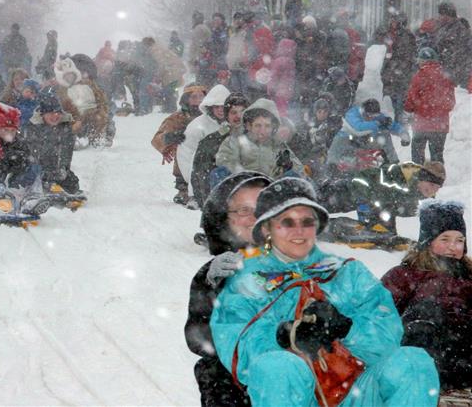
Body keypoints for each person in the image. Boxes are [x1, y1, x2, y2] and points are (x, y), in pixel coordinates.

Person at [210, 177, 440, 407]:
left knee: (413, 362)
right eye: (286, 222)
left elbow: (388, 336)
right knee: (277, 368)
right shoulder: (247, 279)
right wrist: (284, 335)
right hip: (297, 394)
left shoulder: (349, 272)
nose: (298, 231)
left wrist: (348, 327)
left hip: (357, 392)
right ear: (266, 228)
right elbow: (237, 349)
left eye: (307, 221)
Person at [186, 171, 272, 406]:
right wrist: (213, 286)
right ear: (225, 219)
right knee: (215, 370)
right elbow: (199, 339)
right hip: (238, 387)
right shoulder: (215, 274)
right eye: (243, 210)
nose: (255, 217)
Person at [382, 200, 472, 391]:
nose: (453, 247)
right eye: (445, 239)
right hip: (424, 354)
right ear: (427, 241)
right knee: (428, 310)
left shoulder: (469, 277)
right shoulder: (404, 275)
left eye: (460, 241)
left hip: (465, 356)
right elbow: (379, 312)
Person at [318, 160, 445, 234]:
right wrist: (365, 199)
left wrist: (387, 231)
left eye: (437, 188)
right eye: (431, 184)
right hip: (346, 190)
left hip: (359, 203)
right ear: (422, 178)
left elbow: (392, 207)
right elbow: (362, 177)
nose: (432, 190)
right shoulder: (397, 175)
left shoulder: (425, 201)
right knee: (316, 205)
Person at [212, 98, 304, 185]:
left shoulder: (278, 145)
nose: (262, 131)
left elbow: (300, 171)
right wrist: (245, 175)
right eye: (258, 126)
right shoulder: (235, 141)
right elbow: (224, 161)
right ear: (248, 126)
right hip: (242, 188)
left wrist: (287, 167)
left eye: (267, 126)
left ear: (273, 128)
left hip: (272, 190)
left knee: (293, 176)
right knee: (219, 173)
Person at [151, 83, 208, 206]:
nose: (198, 100)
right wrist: (170, 138)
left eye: (201, 96)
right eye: (194, 97)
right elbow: (157, 138)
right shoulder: (177, 118)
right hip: (185, 162)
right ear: (186, 99)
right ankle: (185, 189)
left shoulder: (212, 116)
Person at [189, 92, 250, 207]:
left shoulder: (261, 136)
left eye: (242, 112)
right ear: (227, 116)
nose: (238, 116)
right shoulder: (212, 141)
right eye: (233, 112)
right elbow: (200, 174)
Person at [325, 98, 408, 175]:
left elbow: (393, 126)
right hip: (349, 142)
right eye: (368, 116)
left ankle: (392, 165)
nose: (370, 118)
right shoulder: (352, 113)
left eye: (373, 117)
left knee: (385, 135)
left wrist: (403, 134)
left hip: (367, 142)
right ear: (362, 111)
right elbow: (358, 127)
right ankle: (331, 167)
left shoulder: (377, 118)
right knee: (338, 140)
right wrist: (378, 123)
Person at [404, 47, 456, 164]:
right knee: (437, 156)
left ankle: (418, 178)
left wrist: (411, 108)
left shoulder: (419, 76)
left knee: (417, 155)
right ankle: (436, 179)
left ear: (422, 61)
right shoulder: (445, 76)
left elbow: (411, 99)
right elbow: (451, 103)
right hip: (440, 125)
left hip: (421, 124)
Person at [23, 92, 81, 194]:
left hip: (58, 169)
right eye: (50, 113)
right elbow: (33, 153)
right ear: (43, 114)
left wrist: (63, 169)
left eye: (58, 112)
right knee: (35, 183)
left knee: (72, 185)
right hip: (37, 170)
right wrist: (44, 171)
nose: (55, 116)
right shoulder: (33, 128)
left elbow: (66, 153)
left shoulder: (65, 127)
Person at [381, 12, 416, 123]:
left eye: (395, 21)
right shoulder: (388, 34)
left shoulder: (406, 36)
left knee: (399, 99)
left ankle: (398, 121)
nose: (392, 23)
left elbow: (407, 56)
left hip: (401, 74)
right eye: (391, 20)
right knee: (390, 99)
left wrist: (396, 67)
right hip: (390, 73)